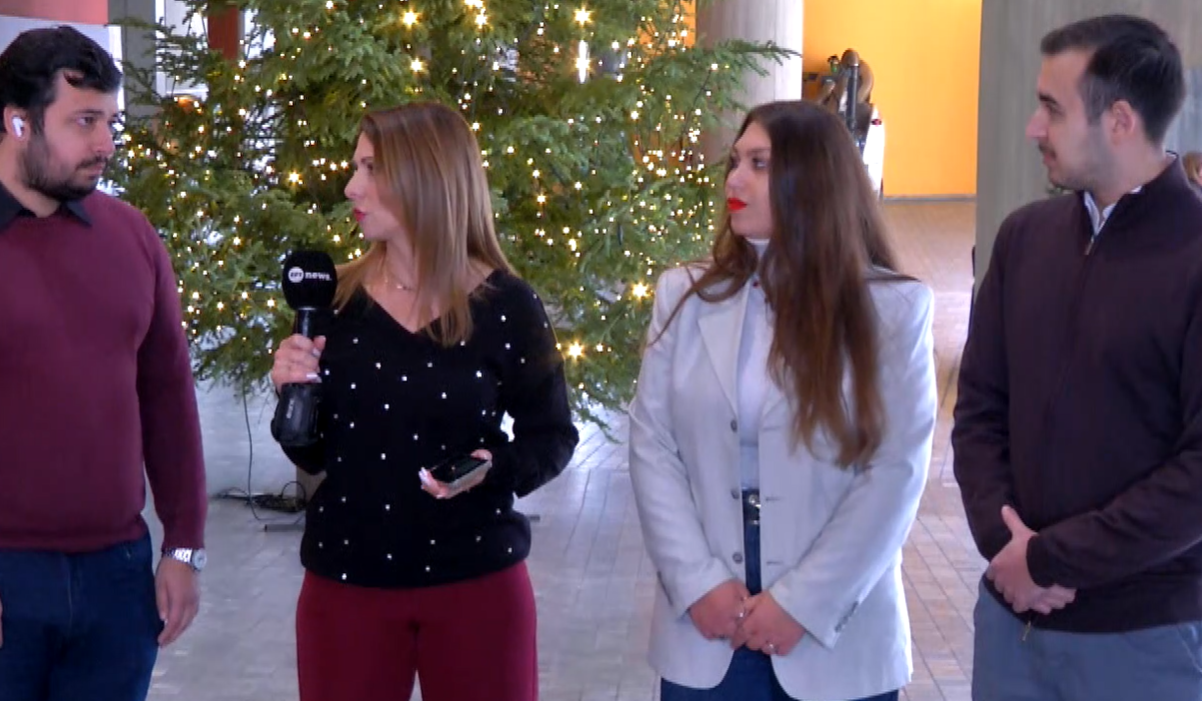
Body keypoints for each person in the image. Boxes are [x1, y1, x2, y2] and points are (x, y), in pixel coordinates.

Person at [627, 99, 937, 701]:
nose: (733, 180)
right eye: (735, 161)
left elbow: (895, 471)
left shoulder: (894, 309)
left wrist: (803, 603)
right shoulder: (684, 296)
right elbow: (652, 446)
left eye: (759, 163)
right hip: (709, 621)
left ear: (813, 180)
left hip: (836, 629)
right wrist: (696, 582)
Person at [270, 101, 579, 701]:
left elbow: (553, 435)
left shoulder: (507, 305)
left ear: (426, 178)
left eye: (371, 168)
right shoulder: (336, 303)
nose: (350, 186)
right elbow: (312, 456)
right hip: (348, 584)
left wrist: (493, 468)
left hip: (477, 583)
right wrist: (292, 398)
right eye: (355, 166)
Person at [953, 14, 1202, 701]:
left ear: (1119, 120)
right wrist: (1006, 546)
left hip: (1144, 638)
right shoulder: (1024, 239)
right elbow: (979, 409)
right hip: (1010, 626)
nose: (1034, 127)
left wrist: (1051, 559)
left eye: (1053, 109)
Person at [0, 26, 208, 701]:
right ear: (18, 122)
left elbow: (168, 398)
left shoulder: (132, 237)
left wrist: (183, 546)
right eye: (84, 121)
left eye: (110, 122)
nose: (106, 144)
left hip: (117, 577)